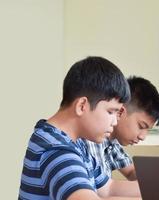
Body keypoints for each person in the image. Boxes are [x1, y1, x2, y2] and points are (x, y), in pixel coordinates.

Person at [19, 56, 141, 200]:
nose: (115, 122)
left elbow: (109, 189)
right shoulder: (55, 149)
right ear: (82, 106)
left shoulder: (76, 142)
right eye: (111, 112)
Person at [85, 76, 159, 181]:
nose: (143, 137)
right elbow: (101, 192)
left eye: (148, 130)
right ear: (120, 112)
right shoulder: (91, 139)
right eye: (141, 126)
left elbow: (131, 172)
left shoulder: (112, 142)